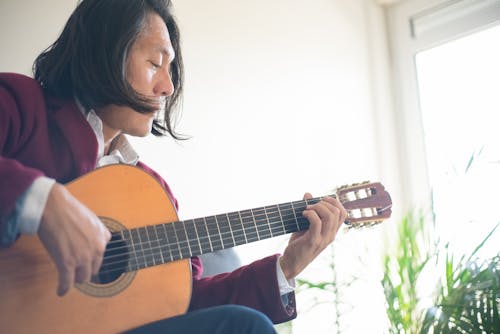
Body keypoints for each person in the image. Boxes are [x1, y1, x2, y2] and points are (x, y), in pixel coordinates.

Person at [0, 0, 347, 333]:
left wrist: (286, 267)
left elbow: (183, 304)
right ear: (103, 54)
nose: (167, 87)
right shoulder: (22, 105)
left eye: (171, 70)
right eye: (154, 63)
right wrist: (43, 201)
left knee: (239, 325)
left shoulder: (152, 190)